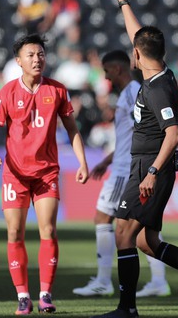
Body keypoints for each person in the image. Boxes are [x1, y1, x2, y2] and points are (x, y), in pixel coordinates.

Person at [91, 0, 178, 318]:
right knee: (145, 241)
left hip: (151, 167)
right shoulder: (154, 73)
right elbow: (138, 37)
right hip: (146, 165)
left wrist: (152, 172)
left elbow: (173, 133)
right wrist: (123, 1)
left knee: (123, 232)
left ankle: (127, 308)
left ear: (136, 56)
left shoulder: (158, 89)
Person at [0, 33, 89, 315]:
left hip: (46, 173)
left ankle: (45, 295)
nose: (37, 59)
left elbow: (72, 129)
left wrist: (82, 163)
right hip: (15, 174)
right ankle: (23, 296)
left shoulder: (58, 90)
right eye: (30, 55)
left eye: (40, 54)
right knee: (15, 232)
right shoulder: (6, 92)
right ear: (19, 61)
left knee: (48, 230)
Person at [72, 50, 171, 298]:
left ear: (116, 69)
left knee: (102, 219)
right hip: (123, 165)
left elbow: (146, 132)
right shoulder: (130, 93)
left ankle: (104, 281)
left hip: (125, 170)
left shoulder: (133, 93)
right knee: (143, 230)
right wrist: (106, 160)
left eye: (106, 71)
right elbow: (130, 136)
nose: (105, 77)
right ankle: (158, 281)